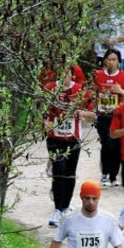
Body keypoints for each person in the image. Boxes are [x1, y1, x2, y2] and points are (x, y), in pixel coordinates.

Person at [43, 68, 95, 227]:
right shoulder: (50, 88)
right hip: (54, 137)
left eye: (66, 73)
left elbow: (93, 113)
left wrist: (79, 113)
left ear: (71, 75)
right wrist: (45, 122)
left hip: (73, 138)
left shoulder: (79, 90)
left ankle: (65, 206)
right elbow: (42, 110)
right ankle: (58, 209)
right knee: (58, 171)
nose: (63, 76)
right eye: (60, 72)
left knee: (69, 173)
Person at [93, 49, 124, 187]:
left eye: (114, 59)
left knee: (116, 146)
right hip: (103, 116)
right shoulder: (97, 75)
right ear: (104, 60)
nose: (111, 62)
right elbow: (90, 93)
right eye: (109, 59)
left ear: (118, 61)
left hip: (118, 117)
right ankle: (104, 173)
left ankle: (113, 176)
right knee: (106, 143)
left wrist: (121, 91)